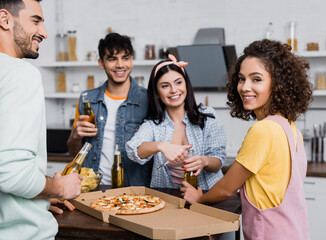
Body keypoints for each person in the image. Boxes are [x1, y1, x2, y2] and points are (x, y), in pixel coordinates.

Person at [181, 39, 312, 239]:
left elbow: (226, 188)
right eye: (241, 79)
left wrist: (200, 198)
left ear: (278, 84)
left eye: (256, 79)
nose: (245, 87)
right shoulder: (289, 127)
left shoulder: (264, 130)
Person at [0, 0, 83, 239]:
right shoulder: (20, 73)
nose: (44, 33)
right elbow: (11, 173)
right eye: (35, 21)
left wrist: (41, 194)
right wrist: (60, 187)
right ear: (4, 19)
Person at [126, 54, 226, 190]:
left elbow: (218, 161)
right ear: (156, 92)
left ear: (186, 84)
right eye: (165, 86)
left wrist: (204, 161)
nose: (174, 90)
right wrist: (161, 146)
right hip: (169, 200)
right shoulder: (153, 125)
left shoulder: (208, 116)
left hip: (208, 195)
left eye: (178, 82)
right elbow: (133, 150)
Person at [67, 33, 152, 186]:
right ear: (101, 63)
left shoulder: (149, 100)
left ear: (132, 60)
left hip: (134, 192)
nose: (120, 65)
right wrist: (75, 136)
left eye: (125, 58)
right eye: (112, 59)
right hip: (94, 188)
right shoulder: (87, 100)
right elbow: (74, 153)